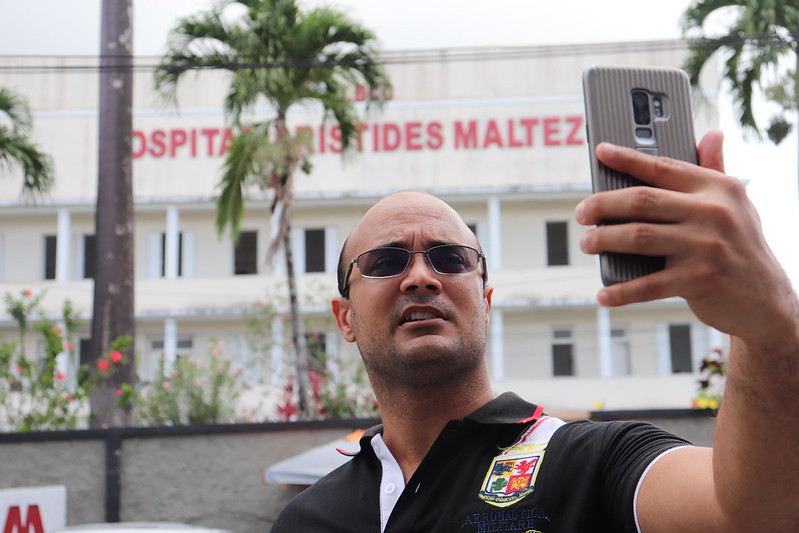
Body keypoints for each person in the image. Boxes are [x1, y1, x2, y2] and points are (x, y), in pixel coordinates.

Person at [271, 130, 799, 532]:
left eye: (451, 258)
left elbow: (748, 514)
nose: (420, 278)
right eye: (385, 262)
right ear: (345, 319)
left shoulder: (594, 460)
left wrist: (769, 331)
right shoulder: (306, 518)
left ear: (486, 300)